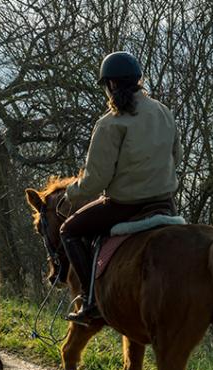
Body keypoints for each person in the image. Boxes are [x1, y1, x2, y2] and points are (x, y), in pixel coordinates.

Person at [61, 51, 183, 324]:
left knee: (68, 230)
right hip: (165, 202)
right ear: (138, 80)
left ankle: (90, 303)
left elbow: (96, 180)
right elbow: (177, 156)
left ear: (111, 85)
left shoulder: (110, 124)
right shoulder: (163, 112)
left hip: (124, 206)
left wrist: (72, 193)